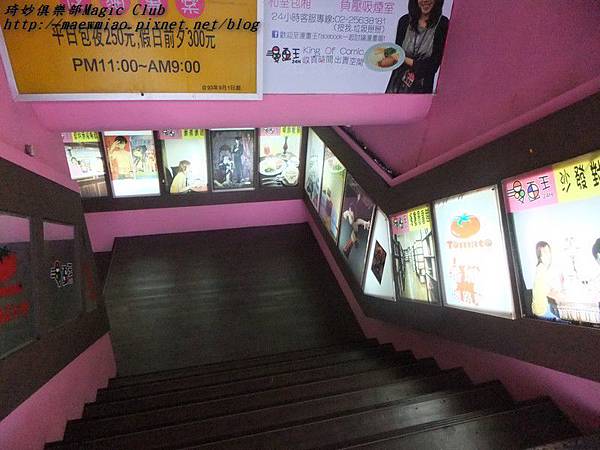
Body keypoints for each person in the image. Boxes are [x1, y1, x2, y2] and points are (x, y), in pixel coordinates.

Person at [386, 0, 449, 94]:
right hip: (397, 86)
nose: (425, 1)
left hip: (423, 87)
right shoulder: (404, 21)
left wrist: (404, 59)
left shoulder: (442, 24)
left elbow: (433, 66)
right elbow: (397, 55)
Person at [531, 241, 563, 320]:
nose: (548, 255)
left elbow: (547, 287)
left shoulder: (541, 268)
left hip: (538, 308)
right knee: (565, 320)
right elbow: (548, 292)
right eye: (545, 252)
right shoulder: (541, 269)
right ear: (540, 256)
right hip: (542, 310)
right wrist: (560, 296)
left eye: (549, 252)